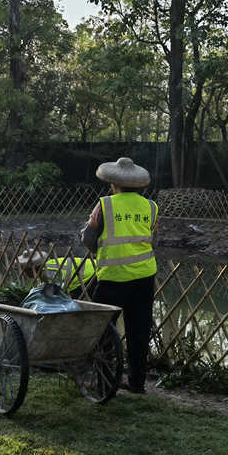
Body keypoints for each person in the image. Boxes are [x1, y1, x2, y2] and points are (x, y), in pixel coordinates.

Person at [81, 156, 158, 394]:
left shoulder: (105, 205)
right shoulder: (151, 206)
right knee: (139, 330)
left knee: (101, 329)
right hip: (145, 276)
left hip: (114, 276)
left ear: (114, 184)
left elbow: (89, 241)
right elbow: (149, 238)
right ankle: (137, 383)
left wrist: (93, 233)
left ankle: (103, 381)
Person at [17, 249, 97, 299]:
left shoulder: (47, 272)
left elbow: (57, 291)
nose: (24, 273)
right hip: (95, 269)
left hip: (91, 275)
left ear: (32, 268)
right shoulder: (49, 265)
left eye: (25, 270)